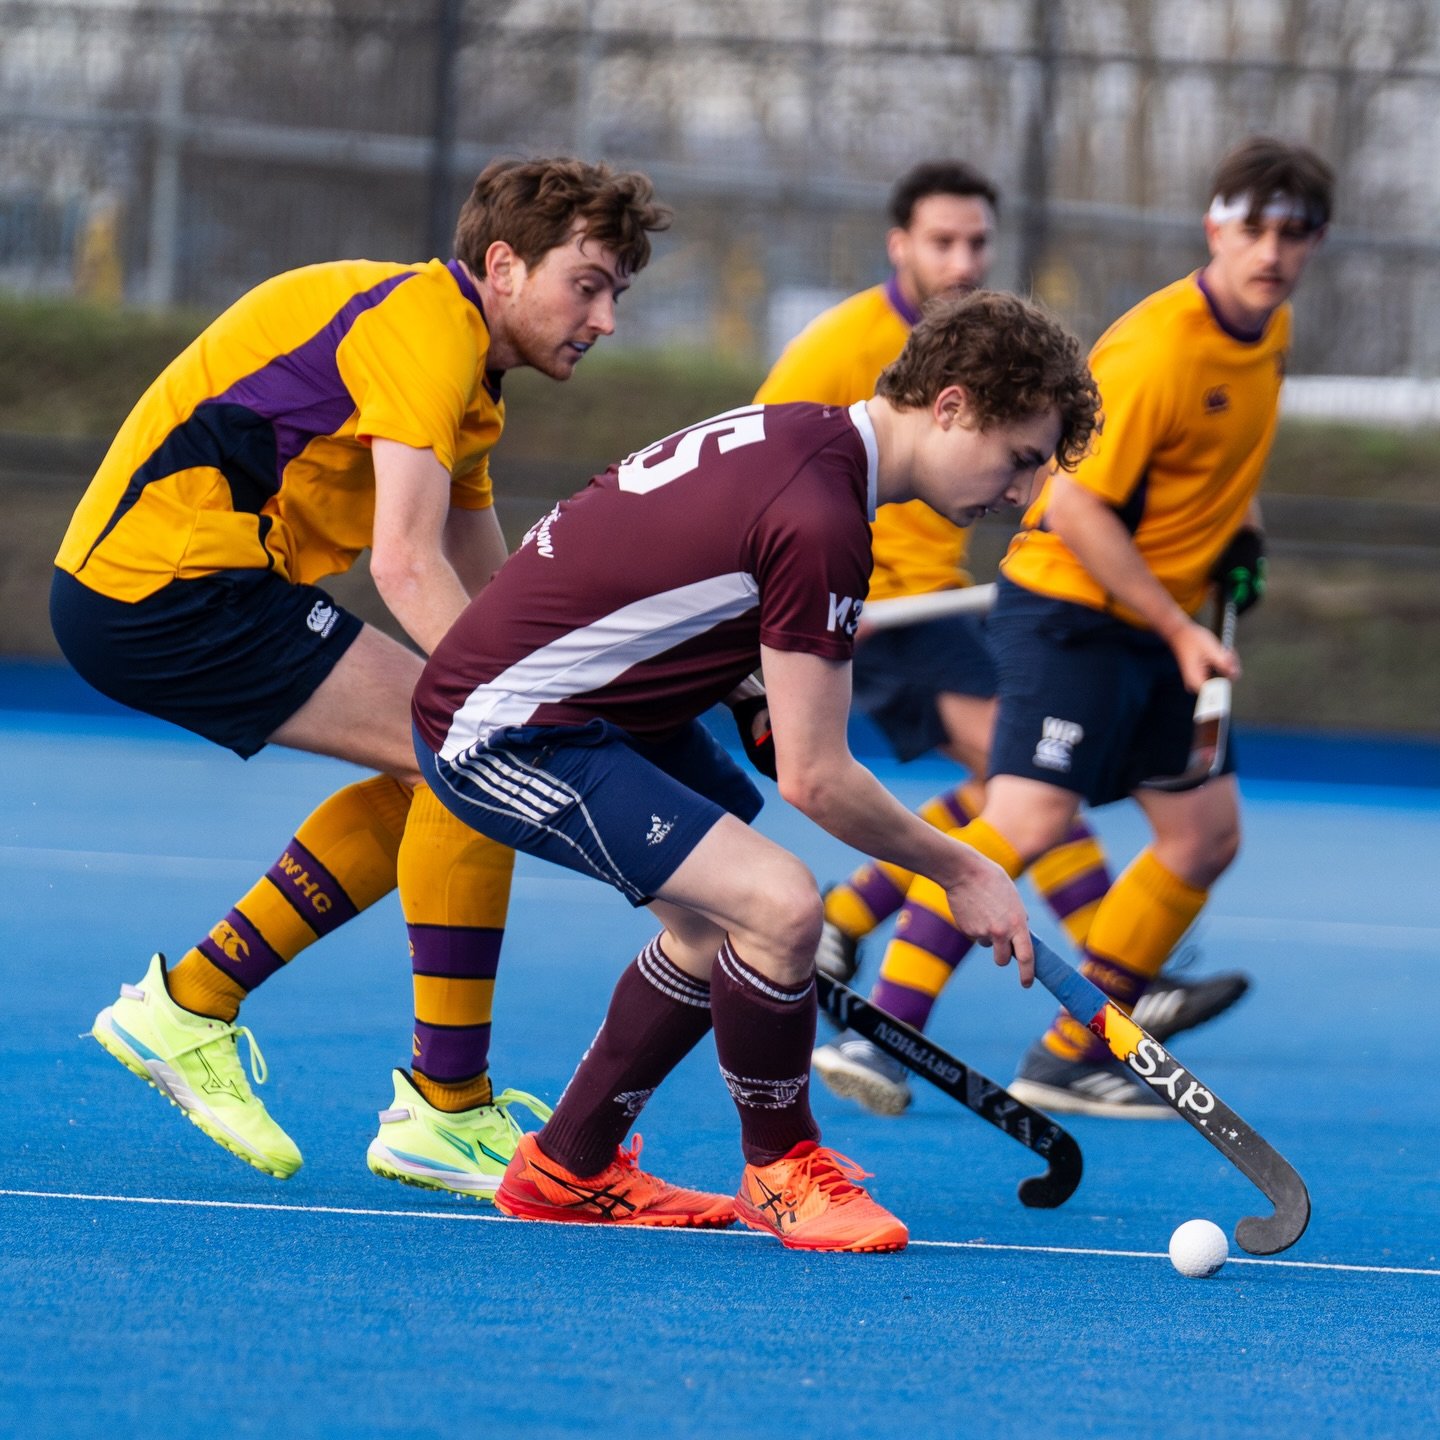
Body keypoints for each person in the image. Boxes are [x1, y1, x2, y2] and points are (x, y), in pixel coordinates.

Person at [410, 289, 1101, 1252]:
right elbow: (817, 777)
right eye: (1021, 458)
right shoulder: (824, 516)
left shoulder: (804, 441)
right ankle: (783, 1174)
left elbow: (740, 665)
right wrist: (963, 868)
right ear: (949, 407)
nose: (1023, 493)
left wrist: (765, 719)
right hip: (508, 729)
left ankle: (568, 1165)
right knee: (775, 904)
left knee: (722, 905)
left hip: (600, 707)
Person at [54, 157, 671, 1188]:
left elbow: (495, 592)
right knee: (464, 759)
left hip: (183, 587)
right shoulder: (425, 331)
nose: (604, 318)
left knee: (443, 759)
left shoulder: (463, 372)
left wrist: (585, 688)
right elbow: (405, 562)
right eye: (590, 283)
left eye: (618, 294)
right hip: (163, 584)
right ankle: (444, 1106)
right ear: (506, 264)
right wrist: (515, 720)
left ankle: (192, 1003)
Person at [755, 160, 1239, 1118]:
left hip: (949, 606)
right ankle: (1084, 984)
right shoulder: (844, 340)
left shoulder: (987, 352)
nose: (963, 258)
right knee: (1026, 797)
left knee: (1016, 794)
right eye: (943, 241)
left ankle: (855, 920)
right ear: (900, 244)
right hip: (882, 609)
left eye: (977, 241)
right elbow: (764, 450)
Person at [872, 136, 1333, 1117]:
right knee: (1028, 817)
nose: (1272, 251)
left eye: (1295, 233)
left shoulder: (1270, 335)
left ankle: (1073, 1056)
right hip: (1074, 612)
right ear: (1215, 224)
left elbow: (1216, 465)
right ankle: (883, 1031)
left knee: (1204, 837)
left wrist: (1239, 533)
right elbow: (1075, 508)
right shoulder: (1160, 347)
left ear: (1314, 244)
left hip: (1157, 624)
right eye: (1254, 226)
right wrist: (1177, 627)